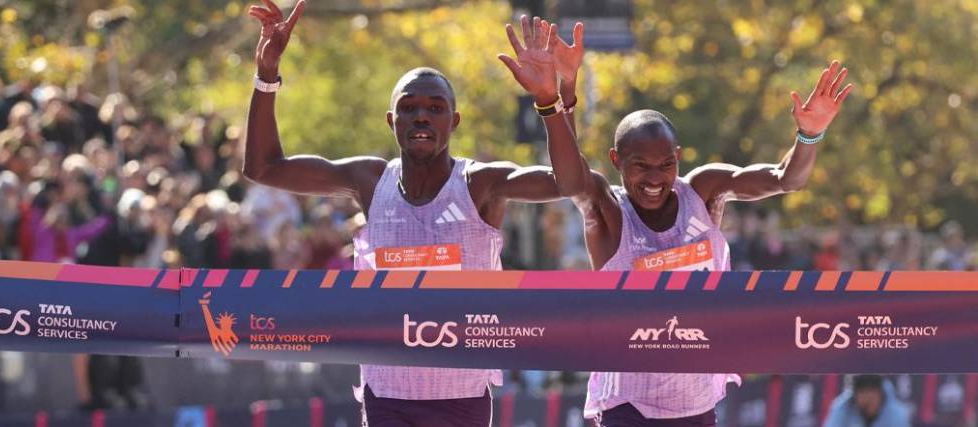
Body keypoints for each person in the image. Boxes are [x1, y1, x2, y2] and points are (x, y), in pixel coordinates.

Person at [242, 2, 577, 425]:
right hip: (387, 395)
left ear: (454, 121)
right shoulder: (369, 181)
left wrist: (551, 99)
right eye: (409, 107)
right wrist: (267, 74)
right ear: (391, 120)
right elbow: (263, 168)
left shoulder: (480, 184)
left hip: (461, 397)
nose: (421, 116)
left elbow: (568, 183)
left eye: (435, 108)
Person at [546, 44, 853, 425]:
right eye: (640, 165)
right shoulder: (608, 213)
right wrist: (559, 95)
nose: (655, 178)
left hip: (697, 406)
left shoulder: (704, 192)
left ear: (678, 156)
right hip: (628, 408)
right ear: (616, 160)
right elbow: (570, 180)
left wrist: (809, 134)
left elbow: (785, 179)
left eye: (666, 164)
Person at [822, 375, 910, 427]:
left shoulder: (897, 414)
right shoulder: (842, 408)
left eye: (872, 392)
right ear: (855, 395)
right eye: (863, 392)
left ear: (880, 393)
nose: (868, 399)